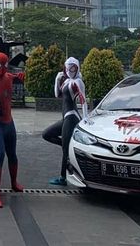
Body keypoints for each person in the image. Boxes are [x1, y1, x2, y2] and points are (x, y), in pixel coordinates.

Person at [0, 52, 25, 208]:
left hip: (8, 122)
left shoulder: (8, 77)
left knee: (12, 155)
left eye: (5, 65)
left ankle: (14, 183)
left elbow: (14, 76)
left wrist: (20, 76)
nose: (2, 68)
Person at [42, 57, 88, 186]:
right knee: (46, 134)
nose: (70, 70)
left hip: (72, 117)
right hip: (66, 117)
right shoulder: (67, 80)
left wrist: (85, 119)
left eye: (73, 67)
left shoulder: (78, 82)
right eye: (68, 67)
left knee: (64, 149)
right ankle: (69, 146)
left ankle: (63, 178)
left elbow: (83, 100)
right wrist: (57, 79)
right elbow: (57, 95)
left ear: (77, 67)